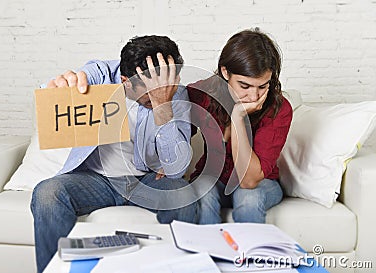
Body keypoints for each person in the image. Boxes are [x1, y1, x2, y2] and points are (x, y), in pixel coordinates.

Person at [31, 35, 198, 273]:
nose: (163, 94)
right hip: (98, 181)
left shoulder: (173, 93)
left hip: (146, 179)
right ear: (125, 82)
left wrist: (163, 106)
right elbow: (79, 80)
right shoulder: (101, 76)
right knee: (47, 193)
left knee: (182, 195)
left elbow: (176, 170)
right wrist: (64, 85)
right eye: (151, 94)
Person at [187, 28, 293, 224]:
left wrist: (237, 118)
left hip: (261, 183)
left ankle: (249, 254)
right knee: (202, 192)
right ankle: (208, 253)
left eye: (262, 86)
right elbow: (178, 134)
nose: (253, 97)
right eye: (245, 86)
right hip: (212, 178)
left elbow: (249, 181)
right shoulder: (202, 94)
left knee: (248, 197)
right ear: (225, 72)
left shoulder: (279, 109)